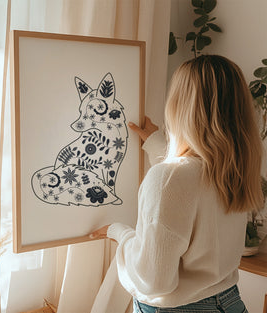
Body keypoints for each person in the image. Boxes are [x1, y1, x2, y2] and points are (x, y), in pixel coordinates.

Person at [90, 55, 263, 313]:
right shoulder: (236, 170)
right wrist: (156, 142)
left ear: (180, 106)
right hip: (231, 303)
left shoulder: (170, 178)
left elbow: (153, 281)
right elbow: (191, 183)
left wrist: (121, 233)